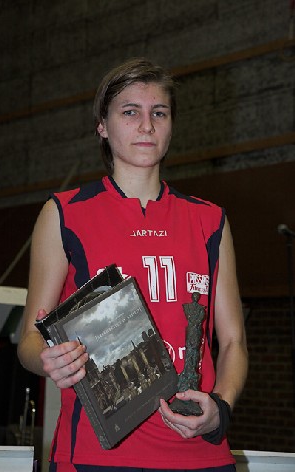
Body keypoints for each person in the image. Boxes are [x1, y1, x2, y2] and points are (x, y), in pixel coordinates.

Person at [18, 58, 248, 472]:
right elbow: (29, 344)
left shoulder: (210, 220)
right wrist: (48, 359)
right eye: (130, 112)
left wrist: (221, 408)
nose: (146, 125)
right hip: (95, 455)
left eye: (158, 113)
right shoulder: (64, 213)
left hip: (199, 456)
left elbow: (233, 342)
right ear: (102, 126)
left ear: (171, 125)